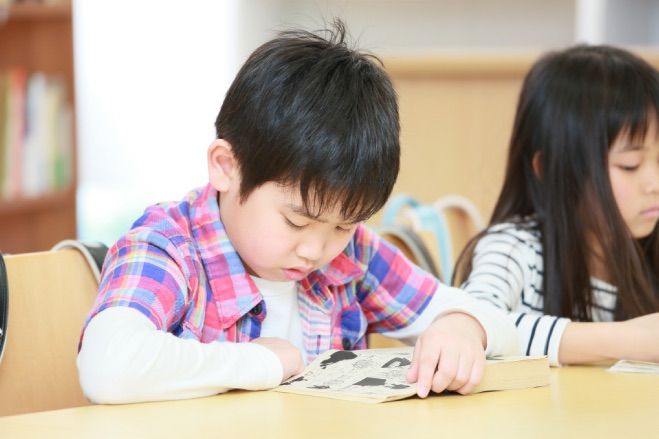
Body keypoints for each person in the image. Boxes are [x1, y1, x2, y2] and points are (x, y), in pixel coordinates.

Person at [77, 21, 517, 404]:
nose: (315, 250)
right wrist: (263, 362)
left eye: (344, 225)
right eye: (296, 221)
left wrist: (464, 326)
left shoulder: (351, 253)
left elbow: (503, 327)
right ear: (226, 167)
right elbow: (108, 367)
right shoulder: (169, 248)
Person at [454, 45, 659, 367]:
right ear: (551, 169)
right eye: (630, 165)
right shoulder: (514, 249)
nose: (654, 184)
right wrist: (630, 339)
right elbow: (469, 325)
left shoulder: (649, 243)